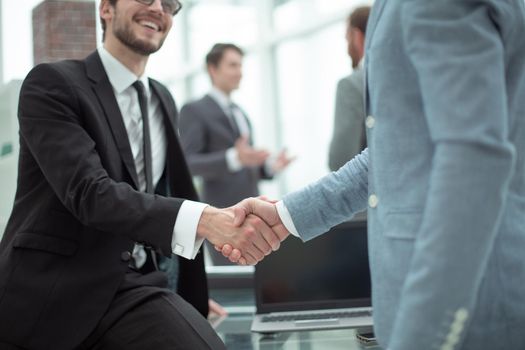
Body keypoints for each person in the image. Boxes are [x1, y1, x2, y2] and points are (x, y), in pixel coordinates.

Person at [223, 1, 525, 350]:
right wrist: (286, 215)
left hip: (463, 306)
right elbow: (389, 155)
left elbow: (473, 163)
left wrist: (425, 335)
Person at [0, 0, 283, 349]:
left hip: (135, 288)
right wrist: (207, 220)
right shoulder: (53, 84)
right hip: (56, 290)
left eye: (168, 4)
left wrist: (183, 299)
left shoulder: (162, 99)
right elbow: (91, 193)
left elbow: (157, 195)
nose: (157, 8)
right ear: (106, 8)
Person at [179, 43, 293, 209]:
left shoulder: (240, 113)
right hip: (220, 212)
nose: (240, 72)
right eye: (233, 65)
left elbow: (246, 165)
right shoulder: (194, 110)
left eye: (241, 65)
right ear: (212, 69)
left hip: (252, 209)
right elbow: (189, 163)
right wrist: (233, 157)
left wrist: (269, 167)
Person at [328, 6, 370, 171]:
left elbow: (341, 161)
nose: (347, 50)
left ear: (357, 36)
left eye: (347, 39)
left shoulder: (352, 85)